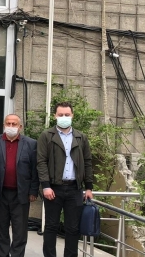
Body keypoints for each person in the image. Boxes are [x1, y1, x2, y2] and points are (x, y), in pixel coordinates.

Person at [38, 101, 94, 257]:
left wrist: (89, 187)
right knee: (51, 226)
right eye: (61, 114)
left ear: (72, 115)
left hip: (75, 189)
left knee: (73, 228)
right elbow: (41, 162)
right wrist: (46, 186)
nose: (64, 117)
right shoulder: (46, 136)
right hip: (53, 188)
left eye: (67, 114)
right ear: (55, 116)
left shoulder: (81, 137)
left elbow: (88, 162)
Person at [0, 114, 39, 257]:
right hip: (0, 193)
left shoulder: (31, 143)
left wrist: (33, 191)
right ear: (4, 125)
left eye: (14, 124)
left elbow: (34, 169)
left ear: (20, 127)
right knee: (1, 228)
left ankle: (17, 254)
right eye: (8, 123)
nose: (11, 126)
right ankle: (3, 254)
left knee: (20, 229)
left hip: (21, 193)